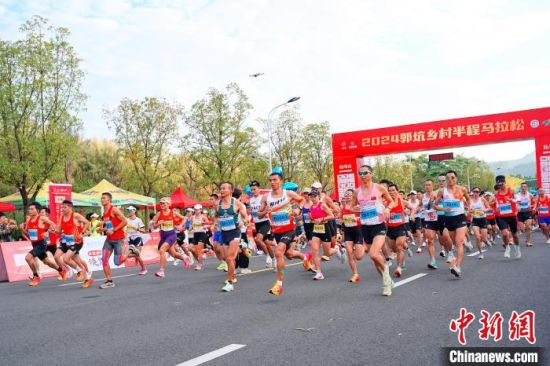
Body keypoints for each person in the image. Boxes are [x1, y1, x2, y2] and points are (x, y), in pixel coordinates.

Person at [259, 171, 311, 296]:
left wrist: (298, 209)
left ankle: (279, 284)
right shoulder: (266, 198)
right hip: (276, 230)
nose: (272, 182)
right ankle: (305, 257)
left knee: (278, 252)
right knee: (289, 254)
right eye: (270, 180)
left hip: (289, 228)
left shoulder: (288, 194)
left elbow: (302, 200)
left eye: (275, 180)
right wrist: (265, 211)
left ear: (281, 182)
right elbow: (259, 215)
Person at [351, 165, 395, 296]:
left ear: (371, 174)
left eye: (365, 172)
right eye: (360, 173)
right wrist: (357, 209)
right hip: (365, 226)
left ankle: (386, 277)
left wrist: (387, 209)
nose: (363, 175)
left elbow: (391, 201)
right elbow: (352, 206)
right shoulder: (356, 191)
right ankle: (387, 279)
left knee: (374, 254)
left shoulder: (379, 188)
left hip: (379, 224)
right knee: (375, 260)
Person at [434, 170, 470, 278]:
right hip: (448, 219)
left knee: (459, 242)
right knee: (451, 241)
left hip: (460, 218)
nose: (450, 180)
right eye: (448, 178)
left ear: (456, 178)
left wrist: (469, 206)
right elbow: (435, 206)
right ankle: (452, 256)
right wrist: (443, 208)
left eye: (452, 177)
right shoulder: (442, 191)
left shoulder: (462, 189)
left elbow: (468, 199)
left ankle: (457, 267)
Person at [98, 192, 139, 288]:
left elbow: (125, 221)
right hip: (109, 239)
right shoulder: (104, 211)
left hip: (118, 239)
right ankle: (109, 281)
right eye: (101, 198)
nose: (102, 199)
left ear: (109, 200)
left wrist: (113, 230)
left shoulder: (114, 209)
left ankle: (130, 250)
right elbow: (110, 225)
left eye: (104, 198)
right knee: (104, 259)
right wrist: (103, 229)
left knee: (117, 262)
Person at [215, 182, 249, 292]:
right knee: (228, 259)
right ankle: (232, 277)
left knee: (229, 258)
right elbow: (216, 216)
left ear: (231, 190)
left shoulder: (237, 203)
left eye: (225, 188)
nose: (222, 190)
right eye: (221, 188)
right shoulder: (217, 204)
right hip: (224, 233)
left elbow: (246, 216)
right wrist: (215, 224)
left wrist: (243, 222)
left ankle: (229, 283)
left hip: (235, 233)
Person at [23, 202, 67, 286]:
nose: (30, 210)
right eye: (29, 209)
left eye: (32, 209)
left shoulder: (42, 218)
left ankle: (36, 276)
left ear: (37, 210)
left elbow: (54, 226)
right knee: (47, 262)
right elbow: (27, 232)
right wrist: (23, 228)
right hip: (34, 244)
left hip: (41, 244)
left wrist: (47, 232)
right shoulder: (28, 219)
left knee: (28, 258)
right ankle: (61, 271)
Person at [55, 200, 94, 288]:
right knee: (57, 256)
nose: (62, 209)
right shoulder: (62, 217)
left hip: (76, 241)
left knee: (66, 258)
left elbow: (87, 222)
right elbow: (58, 231)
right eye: (62, 207)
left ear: (70, 207)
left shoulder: (75, 216)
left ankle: (81, 271)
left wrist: (82, 233)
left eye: (65, 207)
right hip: (66, 241)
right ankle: (73, 271)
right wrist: (51, 230)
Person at [151, 197, 191, 278]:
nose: (162, 205)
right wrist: (159, 223)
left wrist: (180, 225)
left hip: (171, 235)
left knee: (162, 250)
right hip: (163, 236)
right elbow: (154, 226)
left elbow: (184, 218)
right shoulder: (159, 214)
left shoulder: (173, 212)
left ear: (168, 204)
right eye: (161, 203)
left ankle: (161, 271)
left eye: (164, 203)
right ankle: (184, 258)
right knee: (173, 254)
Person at [387, 184, 416, 277]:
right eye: (389, 190)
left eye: (393, 190)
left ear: (397, 191)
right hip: (390, 228)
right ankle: (401, 259)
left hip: (400, 227)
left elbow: (412, 208)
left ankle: (399, 268)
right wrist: (387, 215)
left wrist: (412, 215)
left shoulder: (402, 201)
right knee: (393, 248)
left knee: (399, 247)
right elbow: (381, 214)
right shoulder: (385, 203)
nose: (391, 192)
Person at [308, 189, 334, 280]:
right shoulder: (311, 207)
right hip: (316, 230)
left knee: (327, 253)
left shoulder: (322, 205)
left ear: (318, 196)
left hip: (325, 229)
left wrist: (322, 219)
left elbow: (332, 216)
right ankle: (319, 273)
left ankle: (337, 249)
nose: (313, 198)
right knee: (314, 250)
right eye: (311, 196)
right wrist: (310, 217)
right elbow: (313, 219)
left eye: (314, 196)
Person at [249, 181, 275, 268]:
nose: (253, 191)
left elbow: (269, 209)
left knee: (258, 239)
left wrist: (264, 212)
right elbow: (251, 212)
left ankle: (267, 256)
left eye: (254, 189)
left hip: (265, 222)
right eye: (251, 189)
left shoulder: (263, 198)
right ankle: (274, 259)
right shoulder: (250, 200)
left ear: (259, 189)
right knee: (267, 243)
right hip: (257, 224)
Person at [340, 189, 364, 283]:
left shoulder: (358, 206)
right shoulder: (343, 207)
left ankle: (364, 245)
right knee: (349, 253)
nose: (347, 196)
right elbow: (341, 217)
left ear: (354, 196)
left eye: (349, 194)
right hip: (348, 231)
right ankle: (355, 274)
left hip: (358, 230)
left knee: (358, 257)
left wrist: (357, 218)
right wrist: (341, 219)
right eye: (346, 195)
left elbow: (364, 216)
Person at [494, 176, 521, 259]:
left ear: (505, 182)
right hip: (502, 216)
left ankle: (517, 248)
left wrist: (511, 200)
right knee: (505, 233)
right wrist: (497, 207)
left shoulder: (511, 191)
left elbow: (519, 199)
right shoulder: (497, 193)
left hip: (512, 216)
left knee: (515, 235)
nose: (500, 186)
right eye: (498, 185)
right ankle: (507, 248)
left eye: (501, 184)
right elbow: (498, 203)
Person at [422, 179, 440, 269]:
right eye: (426, 185)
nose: (427, 186)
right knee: (430, 240)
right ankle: (433, 261)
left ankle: (450, 254)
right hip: (428, 220)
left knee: (443, 240)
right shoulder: (423, 196)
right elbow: (423, 206)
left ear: (433, 186)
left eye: (429, 185)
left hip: (439, 219)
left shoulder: (438, 195)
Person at [125, 206, 148, 275]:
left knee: (137, 254)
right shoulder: (126, 220)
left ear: (134, 211)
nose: (129, 212)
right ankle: (137, 260)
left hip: (137, 238)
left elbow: (144, 230)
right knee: (128, 255)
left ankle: (144, 269)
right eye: (128, 210)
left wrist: (137, 229)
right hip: (130, 239)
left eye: (131, 210)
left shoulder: (138, 220)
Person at [470, 188, 490, 259]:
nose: (475, 193)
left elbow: (488, 207)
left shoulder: (482, 199)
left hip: (483, 219)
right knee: (478, 237)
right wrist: (471, 211)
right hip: (475, 220)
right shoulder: (470, 200)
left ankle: (486, 241)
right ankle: (481, 253)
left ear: (479, 193)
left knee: (483, 239)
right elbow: (469, 209)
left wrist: (484, 211)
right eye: (474, 191)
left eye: (477, 192)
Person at [190, 204, 210, 270]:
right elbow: (191, 225)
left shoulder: (203, 217)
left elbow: (209, 224)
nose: (196, 211)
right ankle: (199, 260)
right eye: (195, 209)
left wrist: (205, 226)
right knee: (192, 249)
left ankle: (199, 264)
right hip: (195, 234)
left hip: (202, 234)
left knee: (199, 250)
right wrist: (190, 227)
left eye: (197, 209)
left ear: (200, 210)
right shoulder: (192, 217)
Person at [516, 182, 535, 247]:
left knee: (528, 227)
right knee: (522, 229)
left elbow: (534, 201)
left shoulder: (530, 195)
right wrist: (516, 208)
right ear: (520, 188)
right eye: (522, 187)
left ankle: (528, 241)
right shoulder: (517, 195)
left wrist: (533, 206)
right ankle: (526, 237)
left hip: (527, 212)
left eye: (525, 187)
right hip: (520, 213)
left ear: (527, 188)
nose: (523, 188)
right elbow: (514, 202)